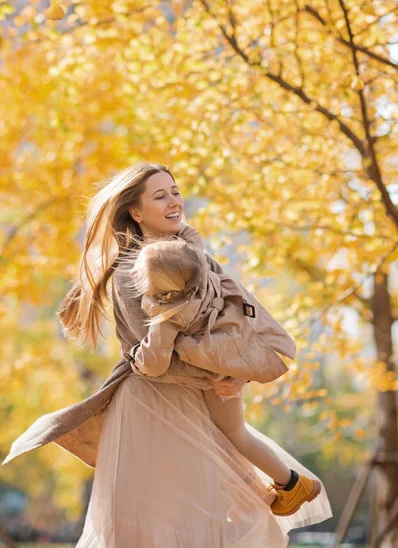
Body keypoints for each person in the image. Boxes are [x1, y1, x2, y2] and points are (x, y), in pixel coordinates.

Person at [2, 163, 332, 547]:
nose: (174, 201)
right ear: (136, 212)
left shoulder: (199, 258)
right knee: (156, 526)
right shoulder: (129, 275)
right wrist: (216, 373)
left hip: (197, 402)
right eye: (160, 196)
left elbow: (231, 323)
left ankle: (286, 486)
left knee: (217, 520)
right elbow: (158, 359)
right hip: (152, 408)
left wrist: (238, 372)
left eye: (175, 191)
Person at [121, 231, 321, 517]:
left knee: (233, 436)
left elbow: (154, 362)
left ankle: (291, 483)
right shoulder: (199, 272)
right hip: (231, 359)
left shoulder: (168, 315)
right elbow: (192, 239)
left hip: (217, 381)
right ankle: (254, 494)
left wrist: (134, 357)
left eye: (139, 275)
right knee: (224, 437)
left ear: (158, 287)